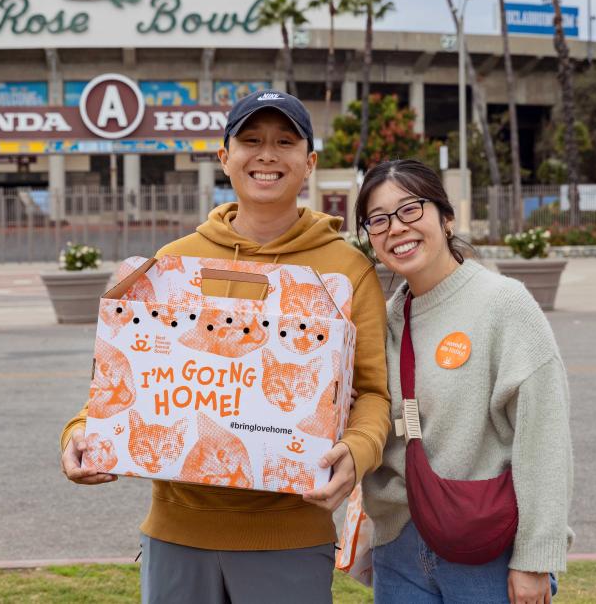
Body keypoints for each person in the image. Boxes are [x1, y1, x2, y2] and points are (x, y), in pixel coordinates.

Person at [60, 90, 392, 604]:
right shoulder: (175, 261)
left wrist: (358, 449)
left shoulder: (344, 270)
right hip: (176, 532)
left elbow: (372, 392)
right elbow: (133, 372)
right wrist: (82, 430)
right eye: (250, 140)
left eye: (285, 141)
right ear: (224, 157)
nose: (266, 154)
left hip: (291, 534)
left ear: (308, 163)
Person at [357, 160, 573, 604]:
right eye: (378, 219)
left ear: (446, 217)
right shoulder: (387, 318)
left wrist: (534, 558)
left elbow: (544, 436)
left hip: (485, 548)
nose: (396, 228)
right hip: (400, 548)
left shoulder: (503, 304)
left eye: (410, 210)